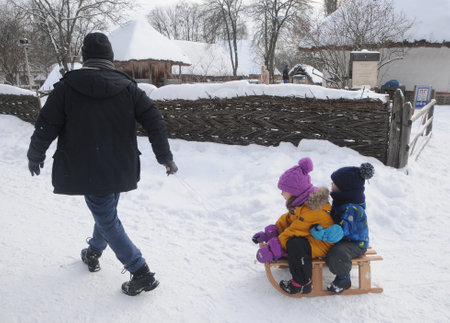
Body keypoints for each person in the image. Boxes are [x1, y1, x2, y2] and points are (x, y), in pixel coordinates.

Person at [26, 32, 178, 296]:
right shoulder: (129, 87)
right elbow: (155, 120)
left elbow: (46, 125)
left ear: (85, 57)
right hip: (120, 166)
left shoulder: (66, 87)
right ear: (110, 57)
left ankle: (140, 270)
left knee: (106, 216)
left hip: (87, 168)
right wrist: (164, 156)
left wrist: (35, 154)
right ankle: (94, 252)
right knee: (106, 213)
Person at [252, 157, 337, 295]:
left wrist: (272, 249)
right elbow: (288, 220)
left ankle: (302, 283)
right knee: (293, 242)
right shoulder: (302, 203)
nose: (281, 193)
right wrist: (269, 233)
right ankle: (291, 259)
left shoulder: (312, 209)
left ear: (295, 192)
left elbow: (294, 230)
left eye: (284, 190)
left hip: (323, 243)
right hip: (312, 238)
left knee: (294, 244)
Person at [310, 163, 374, 293]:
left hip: (355, 243)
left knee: (337, 253)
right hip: (344, 239)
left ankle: (343, 280)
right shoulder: (341, 202)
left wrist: (323, 234)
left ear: (344, 188)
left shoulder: (352, 209)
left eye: (334, 183)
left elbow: (340, 230)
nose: (331, 184)